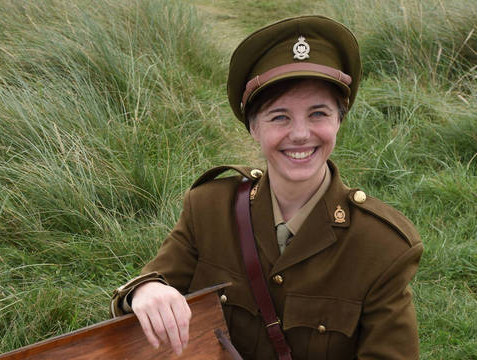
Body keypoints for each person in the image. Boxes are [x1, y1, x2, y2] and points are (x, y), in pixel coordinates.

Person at [110, 15, 423, 359]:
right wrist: (146, 290)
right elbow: (152, 284)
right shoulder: (210, 207)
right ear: (254, 129)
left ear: (339, 121)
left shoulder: (382, 246)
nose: (301, 134)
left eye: (318, 114)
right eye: (280, 117)